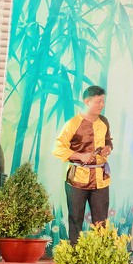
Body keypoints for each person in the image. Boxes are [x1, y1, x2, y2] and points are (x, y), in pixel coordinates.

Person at [52, 85, 114, 245]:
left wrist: (108, 148)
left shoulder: (104, 121)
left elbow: (108, 141)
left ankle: (100, 252)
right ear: (87, 101)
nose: (102, 105)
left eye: (103, 101)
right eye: (98, 102)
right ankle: (75, 252)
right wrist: (80, 156)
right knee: (76, 218)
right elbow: (57, 148)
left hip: (100, 178)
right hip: (77, 178)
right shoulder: (73, 123)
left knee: (101, 220)